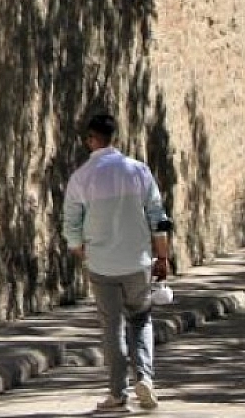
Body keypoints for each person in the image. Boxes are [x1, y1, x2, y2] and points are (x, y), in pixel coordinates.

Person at [62, 113, 172, 414]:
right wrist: (162, 256)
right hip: (137, 262)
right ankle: (145, 378)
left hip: (102, 264)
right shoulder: (138, 171)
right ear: (114, 137)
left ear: (90, 140)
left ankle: (117, 393)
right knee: (140, 319)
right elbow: (157, 216)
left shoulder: (81, 178)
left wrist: (80, 252)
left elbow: (71, 224)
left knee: (111, 326)